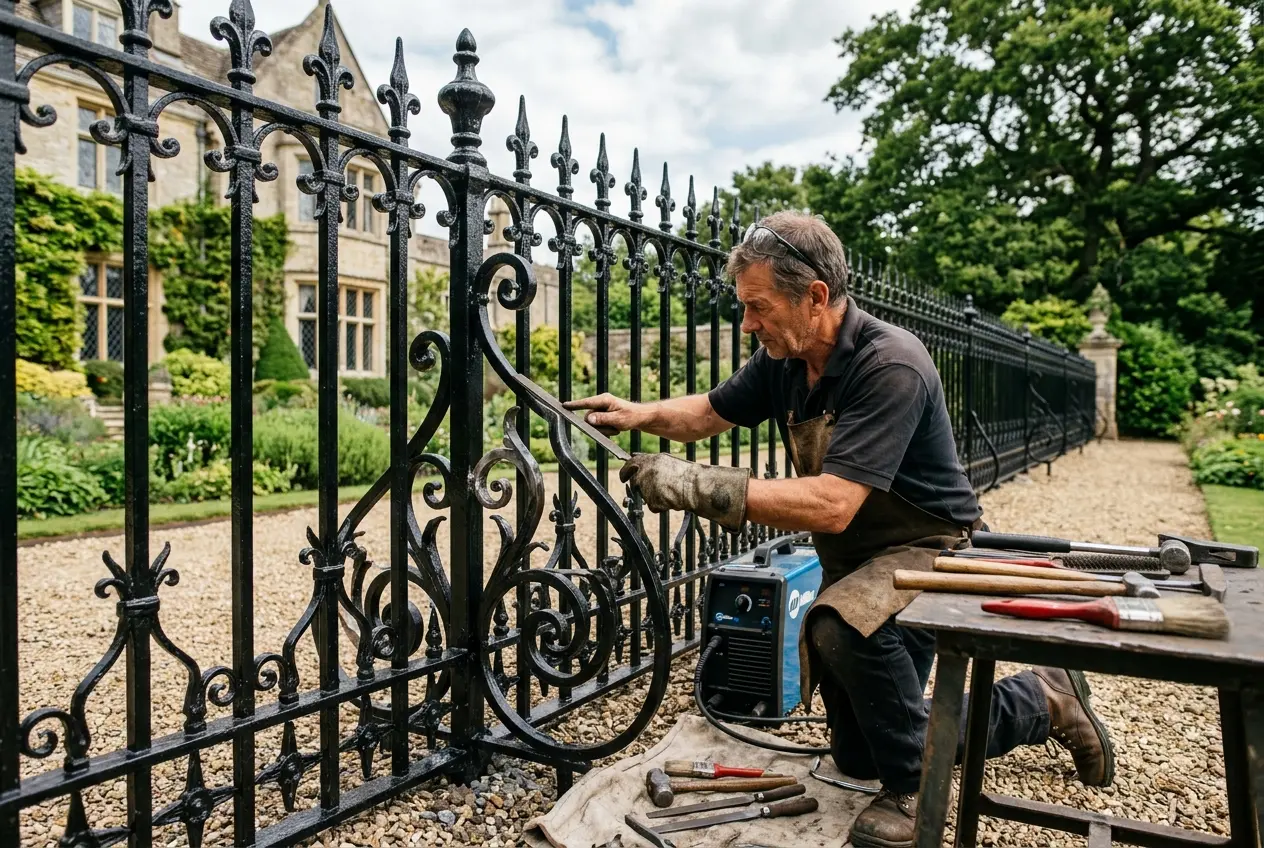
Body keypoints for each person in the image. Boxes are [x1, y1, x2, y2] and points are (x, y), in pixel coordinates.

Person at [564, 211, 1115, 848]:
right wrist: (640, 415)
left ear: (817, 297)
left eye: (758, 307)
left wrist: (692, 485)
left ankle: (914, 793)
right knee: (858, 756)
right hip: (856, 561)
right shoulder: (785, 358)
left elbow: (831, 506)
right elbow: (711, 412)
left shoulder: (890, 365)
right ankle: (1045, 698)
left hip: (931, 548)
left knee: (837, 625)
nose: (748, 323)